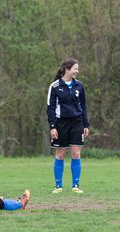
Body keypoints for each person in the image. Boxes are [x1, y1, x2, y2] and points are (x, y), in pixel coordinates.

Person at [47, 58, 90, 194]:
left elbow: (83, 106)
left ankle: (75, 185)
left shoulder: (79, 86)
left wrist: (86, 124)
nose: (77, 71)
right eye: (75, 68)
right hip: (61, 123)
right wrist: (53, 127)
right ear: (67, 69)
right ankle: (58, 186)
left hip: (77, 122)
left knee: (76, 153)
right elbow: (50, 108)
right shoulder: (54, 86)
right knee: (60, 154)